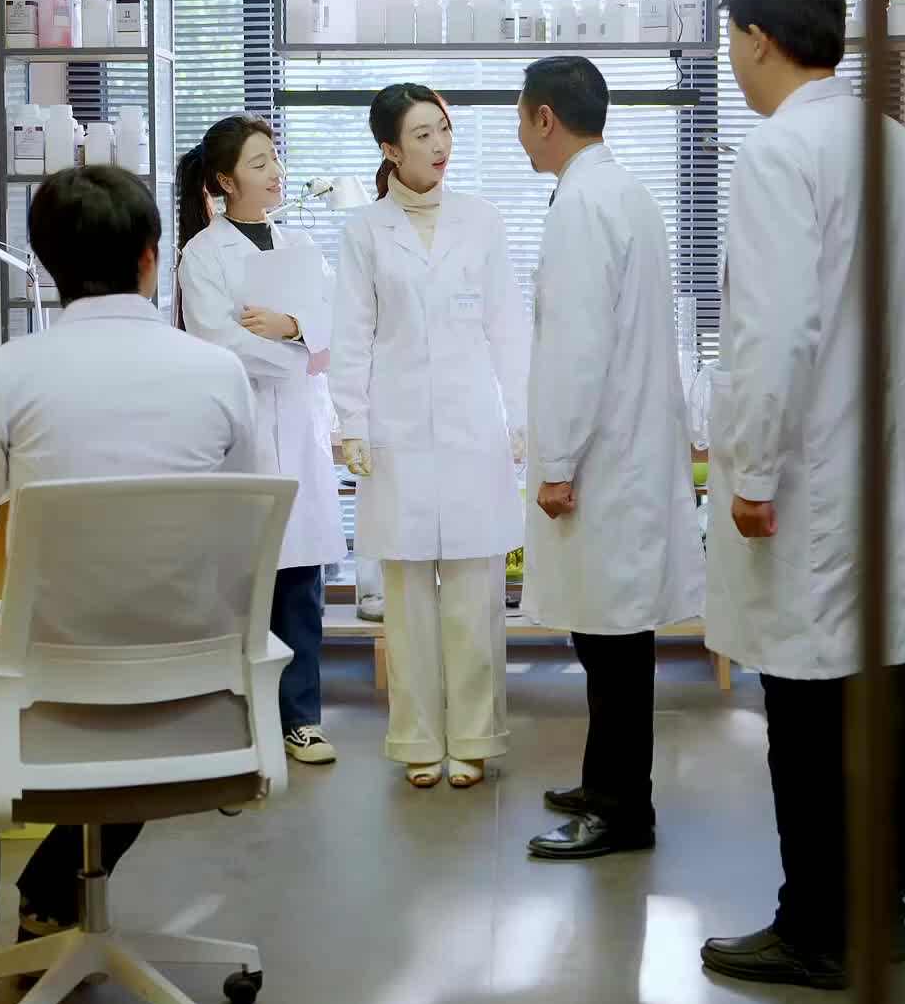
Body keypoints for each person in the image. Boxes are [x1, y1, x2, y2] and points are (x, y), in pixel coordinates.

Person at [0, 166, 257, 992]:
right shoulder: (221, 373)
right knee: (137, 684)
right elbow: (246, 526)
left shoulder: (9, 374)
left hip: (45, 698)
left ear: (46, 265)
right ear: (151, 257)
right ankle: (51, 898)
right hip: (191, 700)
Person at [702, 0, 905, 989]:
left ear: (756, 39)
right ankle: (880, 917)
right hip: (886, 475)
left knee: (807, 709)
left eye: (729, 42)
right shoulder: (894, 144)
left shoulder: (780, 152)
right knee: (886, 706)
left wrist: (751, 473)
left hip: (813, 481)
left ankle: (817, 929)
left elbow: (776, 332)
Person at [517, 56, 704, 861]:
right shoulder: (621, 192)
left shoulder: (584, 205)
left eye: (521, 118)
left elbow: (578, 348)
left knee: (616, 643)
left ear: (545, 118)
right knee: (607, 638)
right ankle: (606, 784)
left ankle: (623, 810)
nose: (521, 134)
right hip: (624, 449)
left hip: (602, 459)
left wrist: (557, 462)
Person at [330, 83, 527, 789]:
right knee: (408, 597)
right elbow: (352, 333)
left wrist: (521, 416)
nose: (440, 145)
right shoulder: (363, 231)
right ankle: (416, 737)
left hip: (474, 428)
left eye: (443, 130)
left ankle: (474, 735)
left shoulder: (482, 220)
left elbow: (507, 326)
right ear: (389, 149)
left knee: (476, 594)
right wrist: (352, 423)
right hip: (399, 429)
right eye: (421, 135)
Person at [176, 116, 346, 767]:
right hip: (241, 429)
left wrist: (291, 325)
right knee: (244, 583)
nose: (275, 172)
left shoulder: (301, 245)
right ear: (225, 181)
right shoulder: (202, 255)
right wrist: (299, 352)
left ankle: (301, 719)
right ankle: (241, 718)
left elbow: (335, 326)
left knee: (301, 580)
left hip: (298, 428)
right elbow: (219, 342)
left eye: (275, 158)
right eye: (259, 163)